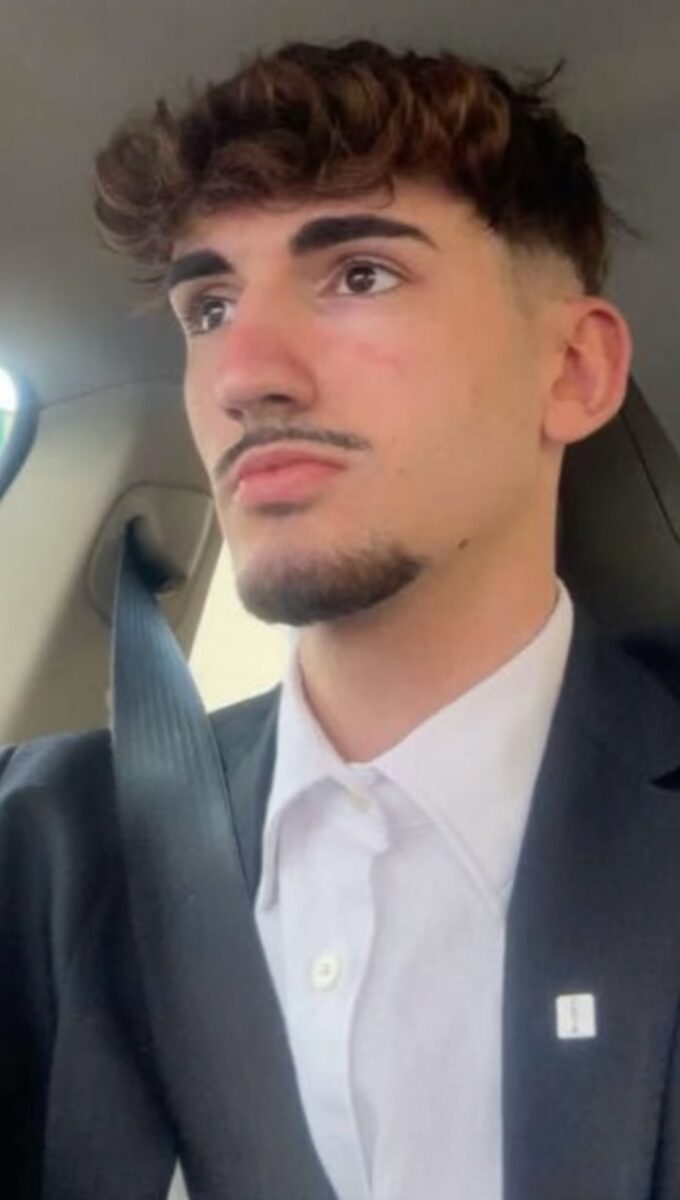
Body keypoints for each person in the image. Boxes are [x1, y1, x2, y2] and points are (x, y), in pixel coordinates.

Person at [2, 37, 680, 1200]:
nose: (242, 376)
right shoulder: (49, 844)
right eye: (209, 305)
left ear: (572, 369)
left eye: (359, 275)